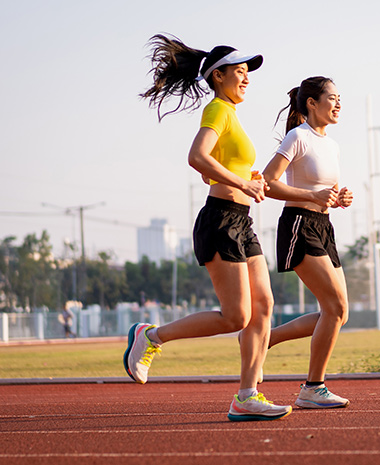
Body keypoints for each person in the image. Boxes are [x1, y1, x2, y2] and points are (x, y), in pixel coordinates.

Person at [123, 34, 291, 422]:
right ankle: (151, 336)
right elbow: (196, 157)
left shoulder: (231, 115)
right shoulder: (218, 109)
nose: (246, 78)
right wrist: (241, 183)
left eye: (248, 72)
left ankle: (247, 395)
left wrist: (249, 178)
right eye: (239, 71)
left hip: (240, 221)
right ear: (218, 77)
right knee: (236, 317)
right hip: (220, 221)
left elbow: (211, 170)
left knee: (263, 307)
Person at [262, 76, 353, 409]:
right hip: (298, 224)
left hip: (323, 225)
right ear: (312, 103)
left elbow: (324, 192)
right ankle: (313, 388)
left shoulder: (332, 144)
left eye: (340, 98)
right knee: (336, 308)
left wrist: (338, 198)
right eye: (332, 97)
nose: (339, 103)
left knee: (338, 314)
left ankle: (266, 339)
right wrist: (312, 195)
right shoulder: (297, 137)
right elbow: (268, 183)